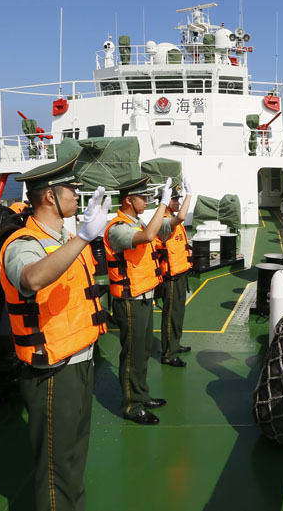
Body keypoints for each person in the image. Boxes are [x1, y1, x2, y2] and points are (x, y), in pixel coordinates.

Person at [0, 154, 113, 511]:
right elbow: (31, 278)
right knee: (56, 468)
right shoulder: (23, 243)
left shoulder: (63, 238)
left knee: (74, 457)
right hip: (52, 370)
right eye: (71, 191)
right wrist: (83, 237)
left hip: (80, 360)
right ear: (50, 196)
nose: (77, 196)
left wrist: (81, 235)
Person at [104, 175, 175, 425]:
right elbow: (146, 237)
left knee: (143, 351)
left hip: (144, 297)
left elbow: (158, 230)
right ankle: (132, 407)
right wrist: (163, 204)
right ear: (128, 200)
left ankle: (141, 395)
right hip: (129, 301)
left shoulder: (136, 223)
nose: (146, 201)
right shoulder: (118, 228)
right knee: (132, 355)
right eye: (142, 197)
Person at [153, 181, 193, 367]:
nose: (178, 203)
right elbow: (182, 217)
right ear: (167, 201)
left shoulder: (171, 218)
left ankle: (175, 344)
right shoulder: (163, 222)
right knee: (170, 316)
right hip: (170, 278)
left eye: (179, 199)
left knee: (178, 313)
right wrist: (190, 195)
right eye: (175, 199)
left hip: (180, 274)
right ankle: (168, 354)